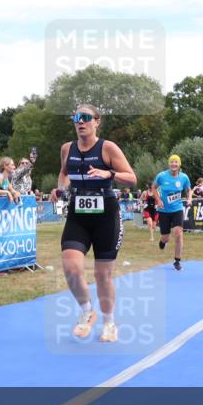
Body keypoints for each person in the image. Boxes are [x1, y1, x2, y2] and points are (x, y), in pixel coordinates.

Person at [50, 104, 136, 343]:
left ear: (97, 122)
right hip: (78, 214)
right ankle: (87, 310)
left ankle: (109, 322)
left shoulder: (107, 148)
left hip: (106, 217)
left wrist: (109, 174)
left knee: (102, 275)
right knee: (70, 267)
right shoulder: (67, 148)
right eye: (77, 117)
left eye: (86, 117)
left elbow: (132, 178)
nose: (81, 121)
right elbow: (64, 173)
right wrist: (60, 189)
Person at [152, 155, 192, 271]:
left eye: (176, 162)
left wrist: (189, 198)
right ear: (169, 164)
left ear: (179, 164)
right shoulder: (162, 176)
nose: (174, 164)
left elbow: (189, 189)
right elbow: (154, 188)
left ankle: (177, 261)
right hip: (164, 210)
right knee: (166, 237)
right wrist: (158, 200)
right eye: (172, 162)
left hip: (177, 209)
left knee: (178, 233)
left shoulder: (184, 177)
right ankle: (162, 241)